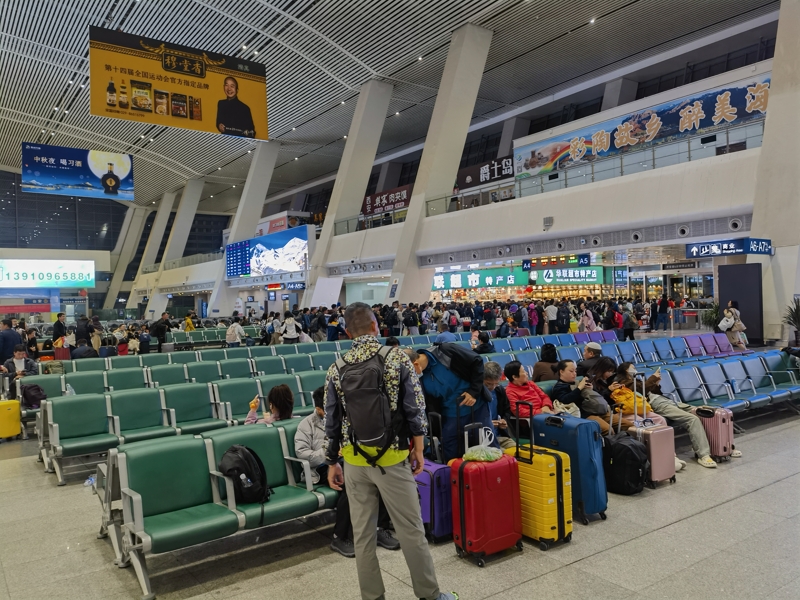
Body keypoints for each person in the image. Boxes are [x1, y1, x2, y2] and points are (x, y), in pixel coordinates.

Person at [324, 303, 456, 600]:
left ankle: (373, 596)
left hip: (354, 461)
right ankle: (429, 594)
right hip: (393, 458)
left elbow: (332, 420)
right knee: (410, 530)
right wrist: (419, 448)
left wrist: (332, 461)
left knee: (363, 536)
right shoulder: (396, 358)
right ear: (376, 326)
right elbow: (415, 408)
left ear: (347, 333)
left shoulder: (337, 368)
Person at [295, 387, 399, 558]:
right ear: (319, 409)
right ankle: (339, 536)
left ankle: (379, 528)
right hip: (321, 468)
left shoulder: (343, 418)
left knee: (377, 477)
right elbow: (302, 453)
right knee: (351, 486)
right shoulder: (306, 425)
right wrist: (329, 453)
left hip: (347, 461)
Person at [627, 363, 741, 469]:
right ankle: (703, 455)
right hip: (657, 404)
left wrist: (656, 384)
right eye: (632, 368)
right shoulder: (624, 383)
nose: (635, 369)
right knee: (692, 419)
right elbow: (639, 392)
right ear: (625, 370)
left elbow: (654, 392)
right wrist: (652, 378)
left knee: (704, 412)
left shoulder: (637, 379)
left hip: (666, 400)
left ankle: (727, 447)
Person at [406, 344, 498, 463]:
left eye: (408, 372)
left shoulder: (445, 351)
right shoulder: (420, 377)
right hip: (450, 414)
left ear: (415, 364)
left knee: (488, 447)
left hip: (477, 408)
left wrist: (473, 391)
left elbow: (477, 361)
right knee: (450, 451)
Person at [483, 362, 515, 449]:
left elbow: (506, 409)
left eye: (496, 383)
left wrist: (504, 420)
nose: (492, 387)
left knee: (518, 452)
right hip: (483, 439)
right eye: (488, 384)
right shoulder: (475, 394)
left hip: (500, 436)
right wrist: (487, 424)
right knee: (503, 455)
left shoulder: (499, 390)